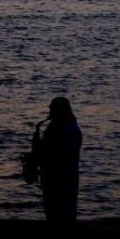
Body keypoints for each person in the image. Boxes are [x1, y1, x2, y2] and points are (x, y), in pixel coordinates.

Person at [39, 96, 83, 224]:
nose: (49, 113)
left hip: (62, 179)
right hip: (56, 178)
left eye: (52, 109)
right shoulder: (58, 126)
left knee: (62, 214)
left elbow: (60, 155)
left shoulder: (68, 130)